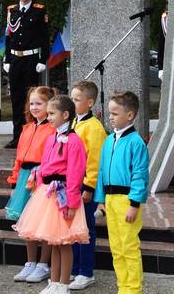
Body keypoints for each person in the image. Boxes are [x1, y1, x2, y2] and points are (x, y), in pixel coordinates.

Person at [12, 94, 89, 294]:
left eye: (52, 113)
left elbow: (75, 173)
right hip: (48, 195)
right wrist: (39, 189)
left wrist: (72, 202)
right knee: (54, 242)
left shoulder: (74, 141)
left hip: (63, 196)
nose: (49, 117)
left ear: (65, 115)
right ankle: (53, 282)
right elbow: (44, 166)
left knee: (64, 243)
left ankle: (63, 284)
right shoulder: (51, 138)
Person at [95, 91, 149, 294]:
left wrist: (134, 204)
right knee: (116, 248)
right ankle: (122, 287)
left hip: (126, 200)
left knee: (129, 247)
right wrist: (100, 199)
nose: (110, 117)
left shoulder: (136, 142)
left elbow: (140, 175)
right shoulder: (109, 140)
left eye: (115, 113)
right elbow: (101, 171)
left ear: (130, 115)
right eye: (110, 113)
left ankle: (133, 289)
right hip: (110, 200)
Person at [7, 86, 56, 283]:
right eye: (32, 103)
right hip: (25, 177)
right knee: (27, 220)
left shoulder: (52, 129)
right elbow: (19, 158)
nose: (34, 107)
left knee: (43, 220)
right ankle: (30, 262)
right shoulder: (27, 128)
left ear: (50, 105)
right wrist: (14, 181)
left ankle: (43, 263)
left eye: (39, 103)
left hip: (42, 177)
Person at [68, 81, 106, 291]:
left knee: (85, 229)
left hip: (84, 186)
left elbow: (95, 161)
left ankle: (86, 272)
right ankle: (74, 268)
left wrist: (89, 187)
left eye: (77, 99)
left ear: (90, 102)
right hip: (72, 185)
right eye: (72, 98)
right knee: (74, 228)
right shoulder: (74, 122)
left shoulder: (94, 128)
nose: (72, 102)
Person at [4, 0, 50, 149]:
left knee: (31, 99)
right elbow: (8, 37)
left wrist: (42, 60)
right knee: (16, 99)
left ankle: (31, 136)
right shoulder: (12, 10)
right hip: (15, 59)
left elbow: (45, 37)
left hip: (31, 59)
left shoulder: (39, 11)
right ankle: (17, 137)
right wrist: (7, 59)